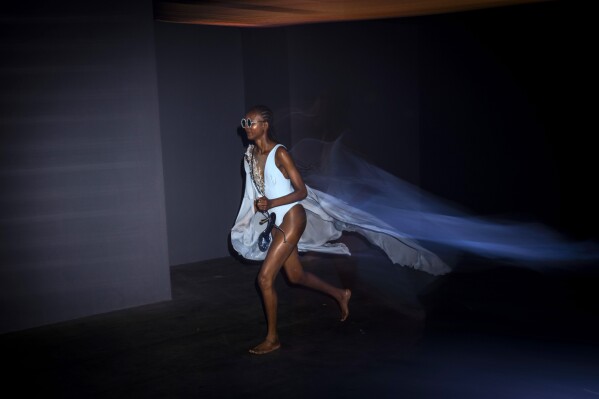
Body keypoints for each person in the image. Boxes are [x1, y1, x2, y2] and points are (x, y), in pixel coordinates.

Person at [234, 105, 351, 355]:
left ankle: (273, 338)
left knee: (264, 279)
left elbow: (301, 191)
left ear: (264, 125)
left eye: (251, 122)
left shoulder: (280, 154)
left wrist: (272, 203)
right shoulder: (252, 154)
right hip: (277, 221)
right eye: (244, 122)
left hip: (292, 217)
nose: (246, 127)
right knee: (296, 276)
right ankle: (340, 294)